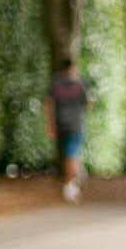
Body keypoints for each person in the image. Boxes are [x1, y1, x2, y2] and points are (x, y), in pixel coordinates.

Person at [45, 58, 89, 203]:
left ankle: (74, 179)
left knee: (70, 154)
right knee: (72, 155)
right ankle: (70, 185)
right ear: (73, 68)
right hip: (76, 125)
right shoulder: (80, 83)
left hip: (61, 124)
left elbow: (49, 104)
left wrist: (50, 125)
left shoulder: (55, 83)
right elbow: (88, 103)